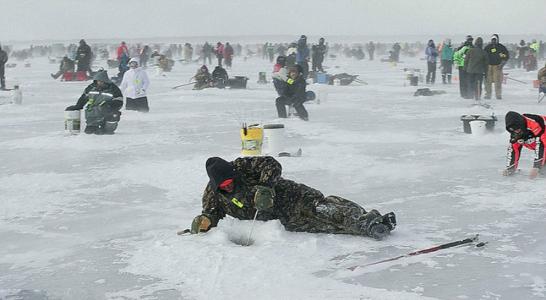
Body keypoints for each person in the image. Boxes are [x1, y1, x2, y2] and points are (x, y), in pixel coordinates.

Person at [189, 156, 397, 240]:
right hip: (284, 219)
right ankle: (364, 228)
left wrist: (266, 187)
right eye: (224, 186)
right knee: (324, 226)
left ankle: (370, 221)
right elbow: (211, 212)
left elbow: (271, 164)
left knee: (324, 211)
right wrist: (205, 221)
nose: (229, 186)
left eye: (230, 182)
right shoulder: (213, 193)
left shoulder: (242, 166)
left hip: (294, 197)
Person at [503, 111, 546, 179]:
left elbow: (541, 143)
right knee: (542, 171)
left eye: (518, 129)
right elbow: (514, 149)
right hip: (542, 145)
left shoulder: (534, 123)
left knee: (542, 171)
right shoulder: (515, 133)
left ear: (521, 125)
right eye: (514, 131)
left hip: (544, 140)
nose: (516, 132)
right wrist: (510, 168)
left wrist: (536, 166)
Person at [484, 34, 509, 100]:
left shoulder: (501, 47)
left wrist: (502, 63)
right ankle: (488, 94)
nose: (494, 41)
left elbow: (506, 56)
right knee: (487, 82)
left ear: (497, 39)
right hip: (489, 66)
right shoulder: (487, 47)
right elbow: (484, 56)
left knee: (498, 81)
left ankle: (498, 95)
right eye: (492, 39)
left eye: (495, 39)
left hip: (498, 66)